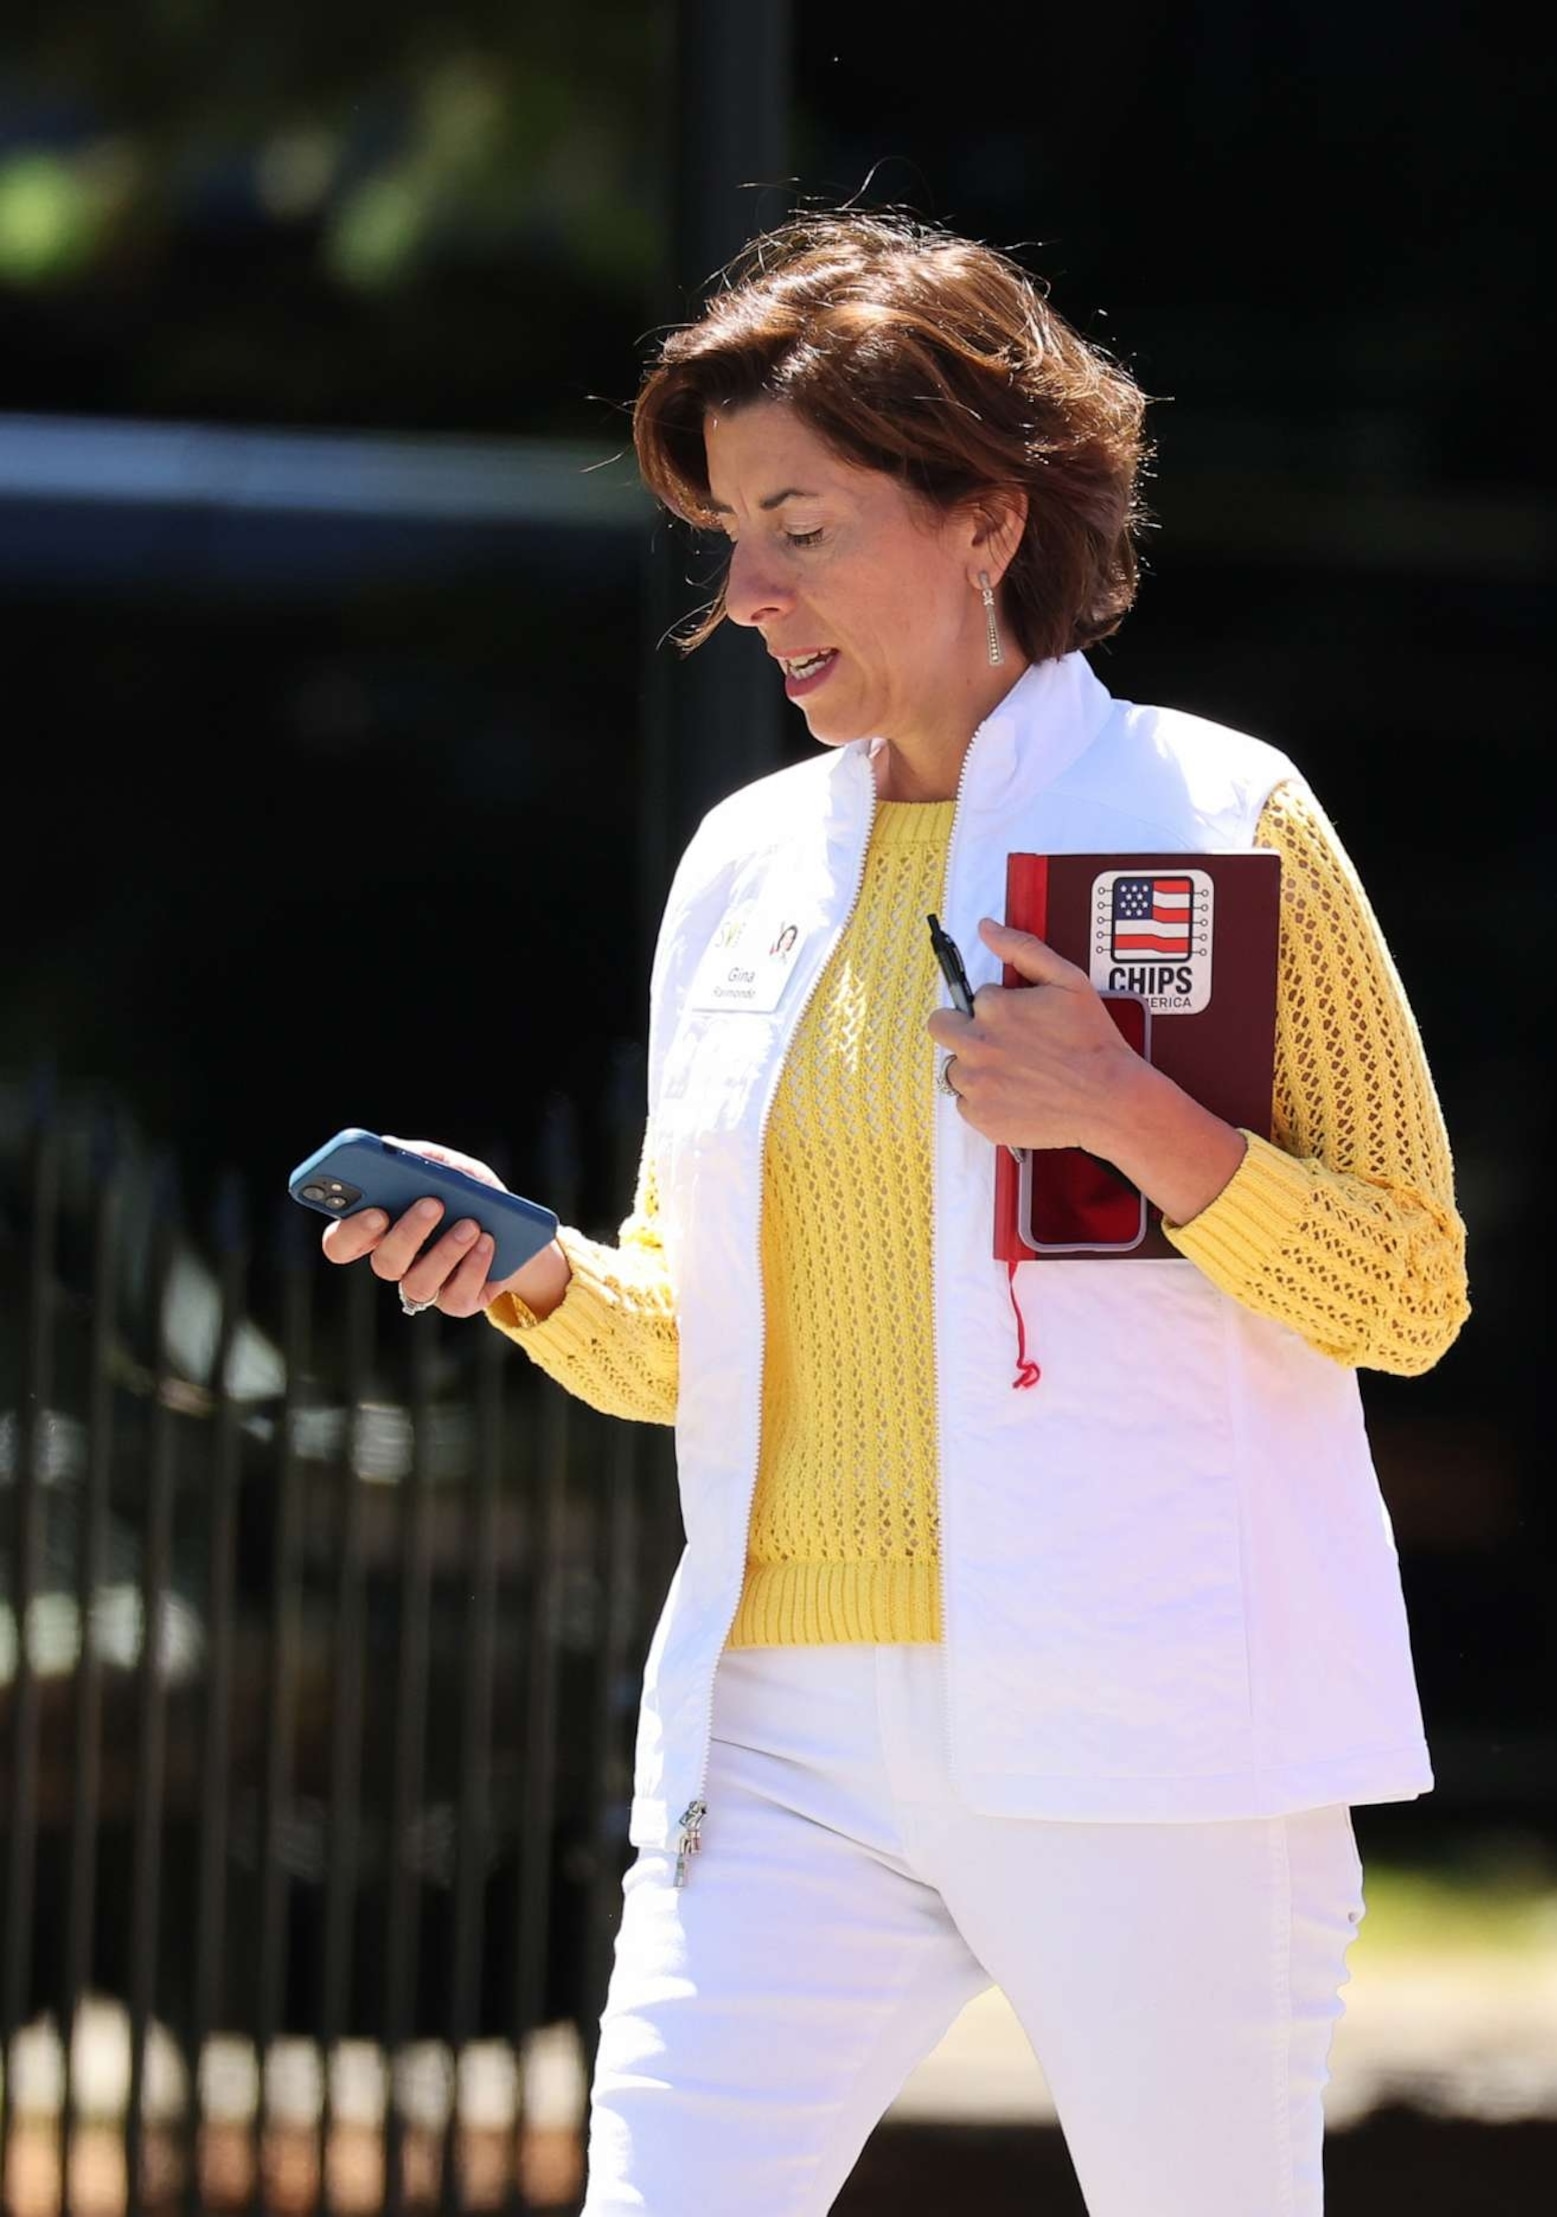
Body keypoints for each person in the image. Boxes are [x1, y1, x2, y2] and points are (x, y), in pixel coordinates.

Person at [316, 212, 1467, 2216]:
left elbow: (1411, 1288)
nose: (745, 593)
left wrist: (1133, 1115)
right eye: (728, 535)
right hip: (784, 1731)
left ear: (986, 519)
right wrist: (529, 1269)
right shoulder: (746, 858)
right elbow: (685, 1334)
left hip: (1156, 1728)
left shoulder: (1219, 811)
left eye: (799, 527)